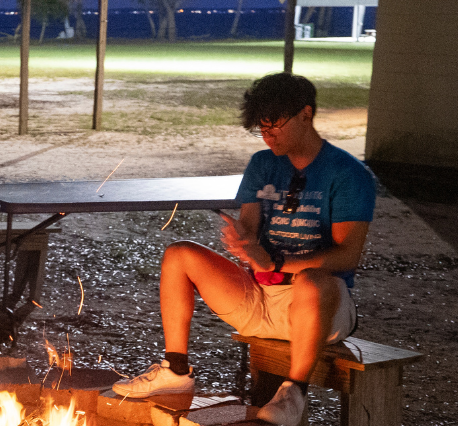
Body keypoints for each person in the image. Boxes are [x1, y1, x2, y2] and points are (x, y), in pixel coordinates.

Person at [111, 73, 376, 426]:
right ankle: (175, 368)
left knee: (313, 280)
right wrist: (243, 242)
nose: (267, 135)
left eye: (275, 126)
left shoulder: (347, 173)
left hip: (318, 307)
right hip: (260, 297)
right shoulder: (262, 164)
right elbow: (249, 227)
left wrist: (279, 261)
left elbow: (348, 256)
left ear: (306, 115)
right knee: (179, 254)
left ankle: (293, 392)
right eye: (261, 128)